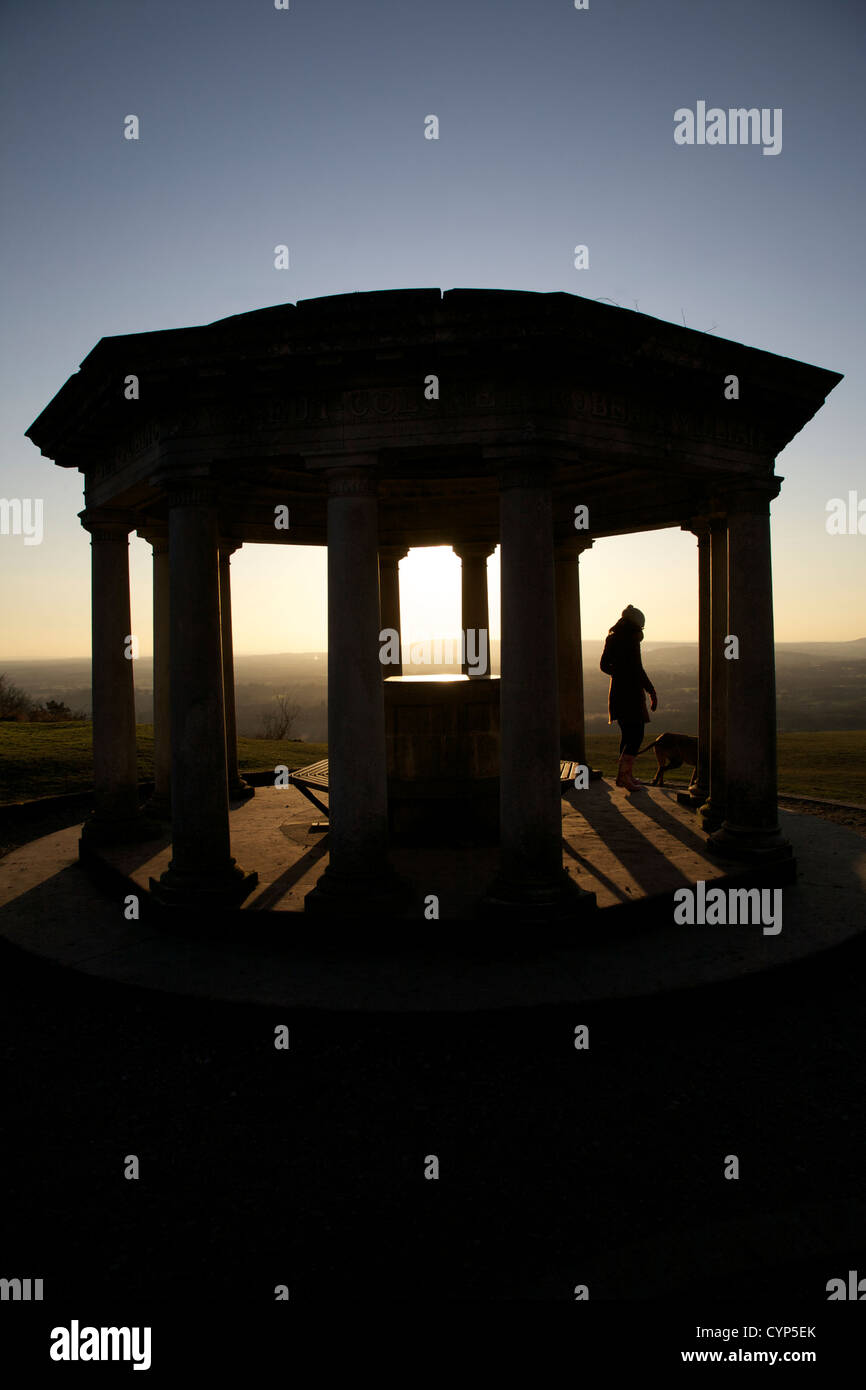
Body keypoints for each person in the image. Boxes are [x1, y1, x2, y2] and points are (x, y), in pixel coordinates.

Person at [599, 605, 658, 790]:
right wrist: (651, 691)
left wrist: (618, 673)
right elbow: (638, 669)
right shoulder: (631, 640)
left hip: (617, 693)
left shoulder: (612, 638)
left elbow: (603, 665)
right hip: (631, 694)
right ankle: (625, 777)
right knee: (636, 735)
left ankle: (625, 776)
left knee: (627, 735)